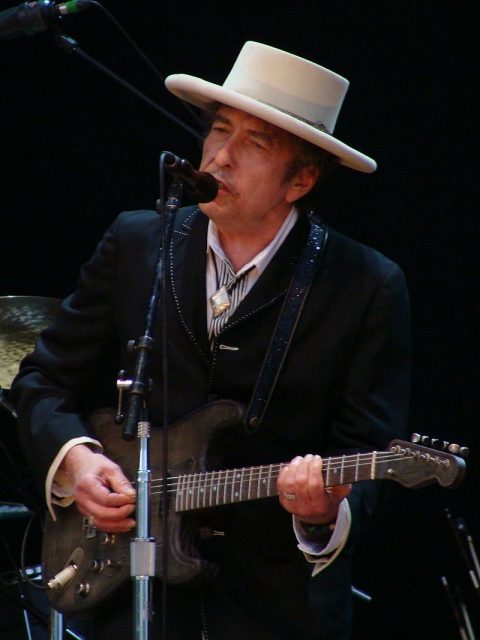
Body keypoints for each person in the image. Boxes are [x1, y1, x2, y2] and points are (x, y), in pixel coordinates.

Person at [11, 41, 411, 639]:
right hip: (130, 594)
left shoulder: (365, 285)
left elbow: (368, 456)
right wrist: (76, 460)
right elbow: (42, 380)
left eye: (254, 144)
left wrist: (324, 514)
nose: (219, 157)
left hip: (275, 607)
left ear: (300, 179)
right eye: (219, 131)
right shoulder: (138, 242)